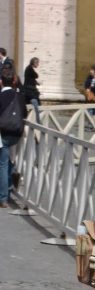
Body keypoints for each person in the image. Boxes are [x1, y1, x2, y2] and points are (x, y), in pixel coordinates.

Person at [0, 69, 27, 209]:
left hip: (3, 135)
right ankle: (14, 171)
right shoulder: (20, 97)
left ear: (1, 81)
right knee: (5, 162)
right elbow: (25, 114)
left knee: (2, 165)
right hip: (17, 135)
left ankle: (3, 199)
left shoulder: (1, 96)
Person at [23, 57, 41, 122]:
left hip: (29, 90)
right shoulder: (30, 69)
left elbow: (30, 78)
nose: (38, 64)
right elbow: (36, 75)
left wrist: (35, 82)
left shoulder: (29, 68)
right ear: (34, 63)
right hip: (30, 92)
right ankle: (37, 121)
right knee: (35, 105)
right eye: (37, 63)